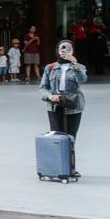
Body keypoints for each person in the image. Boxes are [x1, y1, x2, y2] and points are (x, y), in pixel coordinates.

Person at [39, 39, 87, 177]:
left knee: (71, 138)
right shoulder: (50, 67)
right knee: (56, 138)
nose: (64, 50)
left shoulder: (79, 67)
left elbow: (82, 79)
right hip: (54, 107)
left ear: (72, 51)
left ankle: (70, 169)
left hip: (73, 106)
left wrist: (74, 63)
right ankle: (57, 168)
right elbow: (43, 87)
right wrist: (49, 96)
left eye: (67, 48)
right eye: (61, 48)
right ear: (57, 51)